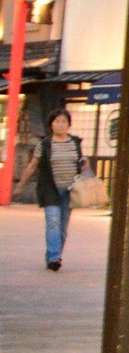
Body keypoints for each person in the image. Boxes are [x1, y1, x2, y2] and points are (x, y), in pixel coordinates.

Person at [12, 110, 90, 271]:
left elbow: (82, 163)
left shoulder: (75, 142)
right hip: (50, 189)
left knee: (62, 227)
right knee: (53, 222)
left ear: (69, 125)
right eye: (57, 121)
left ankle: (53, 255)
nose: (60, 125)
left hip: (71, 191)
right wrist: (21, 184)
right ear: (51, 124)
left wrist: (85, 168)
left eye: (64, 122)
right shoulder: (45, 144)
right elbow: (33, 165)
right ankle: (55, 258)